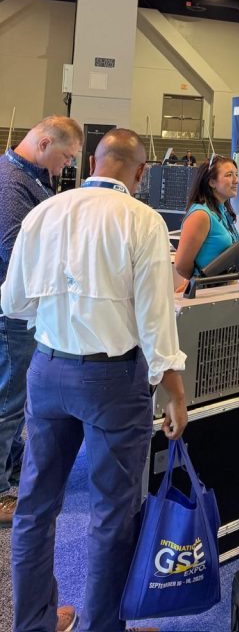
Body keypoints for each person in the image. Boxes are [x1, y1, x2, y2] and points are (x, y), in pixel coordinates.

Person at [1, 128, 187, 632]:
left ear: (89, 163)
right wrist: (172, 389)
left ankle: (33, 624)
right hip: (113, 379)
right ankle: (103, 627)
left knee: (35, 508)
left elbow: (13, 302)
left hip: (47, 370)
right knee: (112, 513)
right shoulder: (142, 220)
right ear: (141, 172)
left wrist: (60, 312)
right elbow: (156, 318)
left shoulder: (44, 212)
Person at [0, 116, 84, 529]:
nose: (66, 166)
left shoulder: (29, 177)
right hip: (12, 312)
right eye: (66, 157)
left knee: (15, 401)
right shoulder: (11, 183)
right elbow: (14, 250)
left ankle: (11, 469)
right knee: (7, 403)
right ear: (45, 143)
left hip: (24, 310)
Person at [174, 156, 239, 280]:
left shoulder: (222, 211)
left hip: (226, 286)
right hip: (209, 288)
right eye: (229, 175)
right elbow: (181, 265)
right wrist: (199, 281)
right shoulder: (201, 215)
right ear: (212, 182)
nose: (236, 180)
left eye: (236, 174)